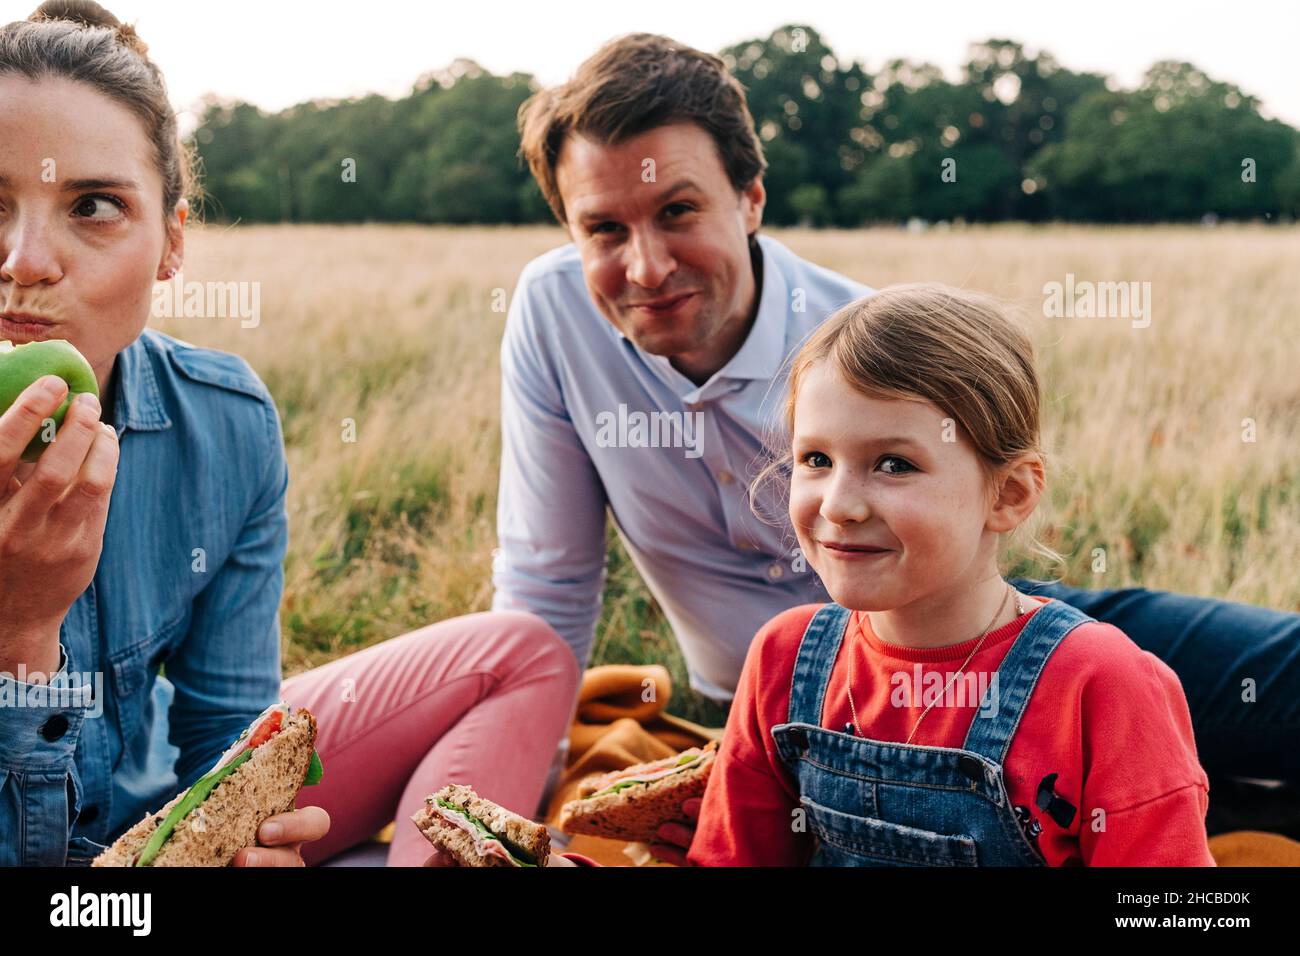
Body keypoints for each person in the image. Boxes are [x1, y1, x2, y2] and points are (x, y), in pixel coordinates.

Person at [495, 33, 1300, 864]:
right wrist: (527, 805)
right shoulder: (556, 316)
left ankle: (1166, 794)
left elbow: (965, 518)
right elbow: (548, 575)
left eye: (678, 211)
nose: (648, 265)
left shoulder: (872, 347)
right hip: (808, 696)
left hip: (987, 613)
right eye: (602, 228)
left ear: (750, 199)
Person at [0, 1, 578, 868]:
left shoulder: (223, 425)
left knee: (521, 653)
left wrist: (242, 839)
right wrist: (21, 630)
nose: (26, 261)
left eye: (93, 205)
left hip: (152, 819)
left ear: (170, 245)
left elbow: (227, 740)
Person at [688, 284, 1214, 865]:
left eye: (894, 464)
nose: (838, 504)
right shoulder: (785, 661)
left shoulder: (1100, 685)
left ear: (1008, 495)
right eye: (816, 459)